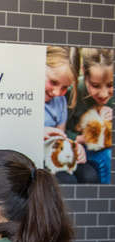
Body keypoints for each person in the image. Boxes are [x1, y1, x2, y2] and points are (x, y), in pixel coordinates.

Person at [42, 46, 97, 183]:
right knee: (68, 180)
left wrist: (73, 147)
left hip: (55, 154)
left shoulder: (60, 101)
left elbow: (62, 137)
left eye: (65, 87)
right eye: (53, 82)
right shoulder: (23, 97)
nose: (56, 92)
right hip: (38, 158)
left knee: (90, 175)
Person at [66, 47, 114, 184]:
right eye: (95, 85)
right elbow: (62, 132)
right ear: (84, 75)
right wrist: (82, 138)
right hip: (79, 148)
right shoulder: (73, 92)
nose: (104, 94)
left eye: (110, 85)